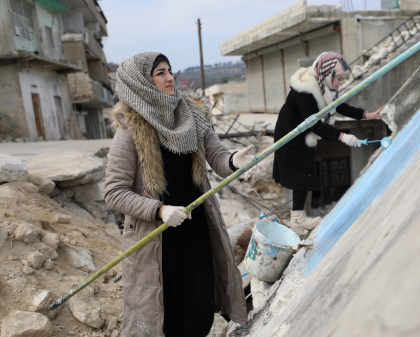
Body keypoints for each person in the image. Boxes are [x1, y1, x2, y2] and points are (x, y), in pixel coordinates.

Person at [104, 52, 255, 336]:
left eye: (169, 71)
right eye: (160, 73)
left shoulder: (191, 115)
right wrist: (159, 210)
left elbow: (217, 155)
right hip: (157, 240)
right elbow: (114, 192)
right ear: (141, 82)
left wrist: (235, 162)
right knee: (167, 314)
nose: (170, 77)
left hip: (195, 227)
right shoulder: (130, 129)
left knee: (200, 307)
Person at [273, 52, 383, 236]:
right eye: (339, 79)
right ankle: (297, 220)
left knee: (305, 172)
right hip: (290, 135)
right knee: (301, 174)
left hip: (302, 134)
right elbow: (315, 125)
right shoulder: (306, 92)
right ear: (327, 74)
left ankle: (297, 219)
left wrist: (365, 115)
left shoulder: (323, 86)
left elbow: (338, 105)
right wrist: (343, 137)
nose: (340, 83)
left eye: (343, 80)